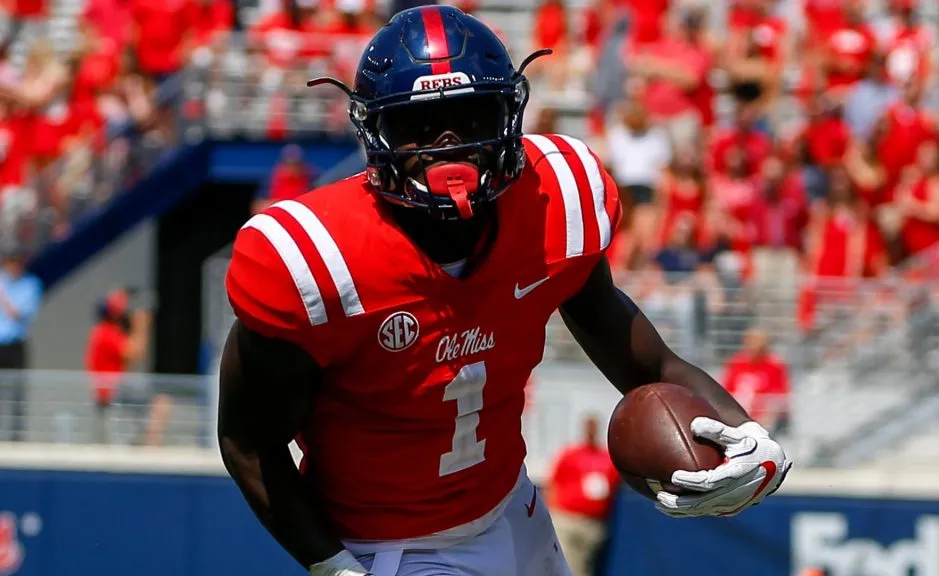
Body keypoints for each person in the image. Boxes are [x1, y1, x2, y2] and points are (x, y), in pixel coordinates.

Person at [218, 6, 792, 576]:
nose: (447, 145)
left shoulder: (554, 200)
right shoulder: (314, 259)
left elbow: (644, 358)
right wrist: (335, 567)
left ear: (508, 116)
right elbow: (248, 442)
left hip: (515, 512)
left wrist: (749, 436)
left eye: (470, 117)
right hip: (392, 547)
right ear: (375, 132)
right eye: (417, 126)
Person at [84, 288, 167, 445]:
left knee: (158, 402)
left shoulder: (106, 332)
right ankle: (152, 447)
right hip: (111, 394)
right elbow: (136, 353)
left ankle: (150, 444)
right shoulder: (106, 332)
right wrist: (141, 324)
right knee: (161, 403)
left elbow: (131, 358)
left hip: (116, 392)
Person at [546, 415, 619, 576]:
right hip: (568, 519)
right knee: (568, 565)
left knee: (586, 566)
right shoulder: (571, 454)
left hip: (593, 523)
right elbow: (553, 483)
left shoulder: (606, 457)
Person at [0, 247, 42, 441]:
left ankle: (16, 437)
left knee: (17, 392)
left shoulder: (31, 285)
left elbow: (18, 314)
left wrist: (3, 299)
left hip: (15, 344)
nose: (13, 266)